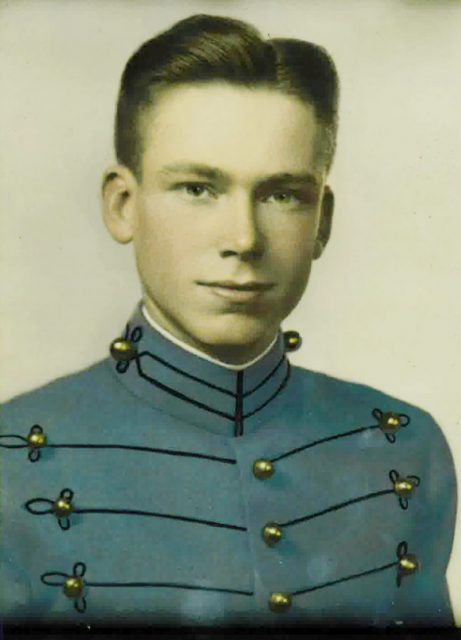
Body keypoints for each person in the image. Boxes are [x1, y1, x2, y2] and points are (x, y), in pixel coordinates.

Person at [0, 13, 457, 629]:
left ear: (321, 220)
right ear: (122, 206)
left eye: (281, 195)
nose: (243, 238)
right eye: (197, 188)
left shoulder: (403, 449)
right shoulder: (12, 458)